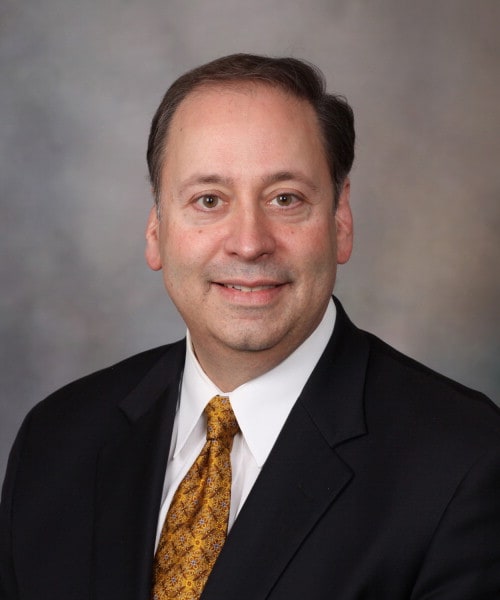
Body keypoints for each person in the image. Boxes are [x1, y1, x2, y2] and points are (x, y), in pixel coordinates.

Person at [1, 53, 499, 600]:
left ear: (340, 221)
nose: (248, 242)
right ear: (156, 228)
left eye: (285, 199)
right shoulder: (56, 441)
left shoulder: (466, 462)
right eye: (208, 200)